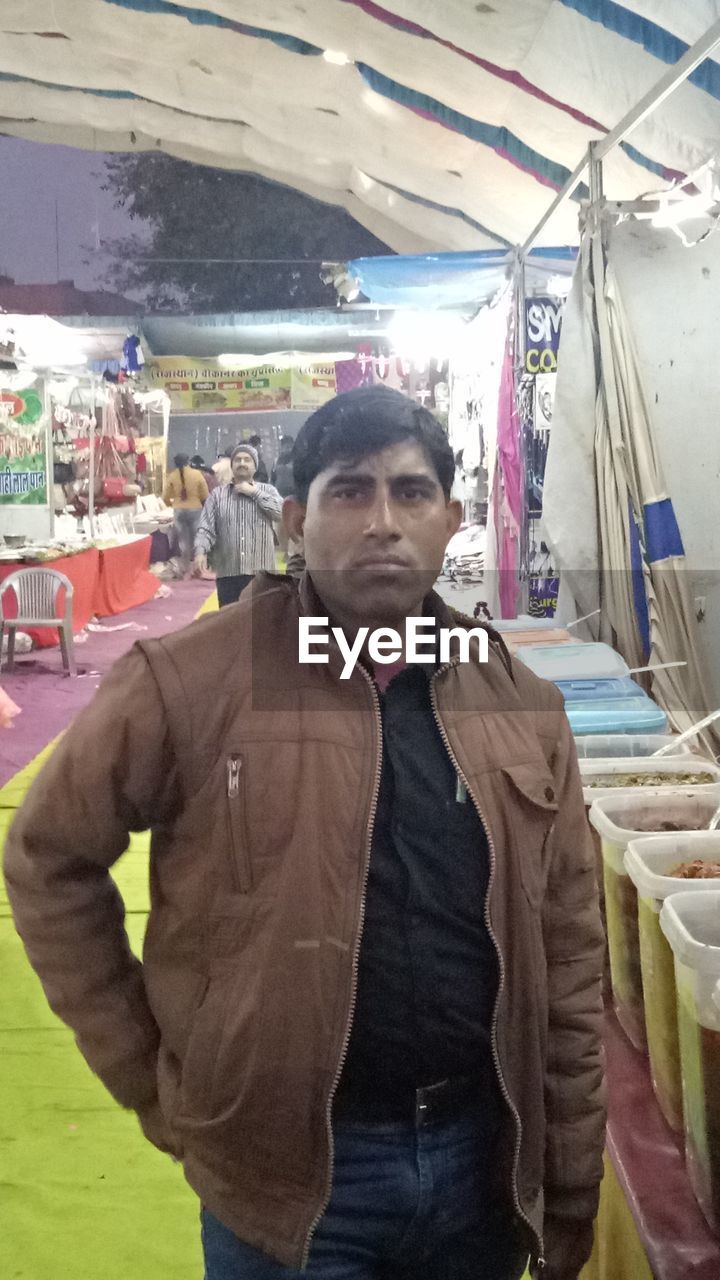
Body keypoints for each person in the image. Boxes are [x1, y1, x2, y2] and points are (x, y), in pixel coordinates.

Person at [4, 385, 605, 1280]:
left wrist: (570, 1169)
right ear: (296, 518)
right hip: (285, 1180)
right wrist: (149, 1076)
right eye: (349, 492)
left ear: (451, 518)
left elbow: (568, 948)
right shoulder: (192, 679)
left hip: (481, 1160)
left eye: (409, 493)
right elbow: (49, 857)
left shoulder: (519, 702)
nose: (382, 523)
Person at [193, 442, 282, 606]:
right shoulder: (217, 496)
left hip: (261, 574)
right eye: (238, 460)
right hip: (229, 572)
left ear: (255, 466)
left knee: (262, 623)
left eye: (247, 460)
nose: (242, 463)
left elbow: (281, 513)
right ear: (231, 465)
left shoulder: (268, 491)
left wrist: (254, 492)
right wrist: (200, 551)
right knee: (230, 623)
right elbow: (206, 528)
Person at [162, 453, 209, 576]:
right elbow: (205, 494)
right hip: (195, 509)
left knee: (183, 541)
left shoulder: (172, 476)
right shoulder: (197, 474)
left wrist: (171, 504)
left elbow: (165, 496)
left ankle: (185, 569)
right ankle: (199, 568)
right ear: (187, 461)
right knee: (197, 539)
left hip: (179, 510)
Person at [271, 434, 296, 555]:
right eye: (284, 446)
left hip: (294, 497)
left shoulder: (297, 460)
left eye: (288, 445)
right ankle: (284, 550)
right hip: (279, 497)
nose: (286, 448)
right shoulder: (277, 461)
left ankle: (292, 552)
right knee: (280, 527)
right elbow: (273, 478)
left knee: (293, 525)